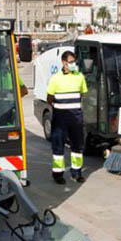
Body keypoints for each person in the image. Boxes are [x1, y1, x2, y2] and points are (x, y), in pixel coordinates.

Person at [46, 50, 88, 184]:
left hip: (76, 117)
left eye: (74, 62)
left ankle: (76, 173)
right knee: (58, 147)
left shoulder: (79, 76)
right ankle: (58, 174)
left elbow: (82, 93)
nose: (73, 64)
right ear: (63, 63)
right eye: (70, 62)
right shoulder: (56, 78)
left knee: (78, 146)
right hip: (60, 118)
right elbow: (49, 98)